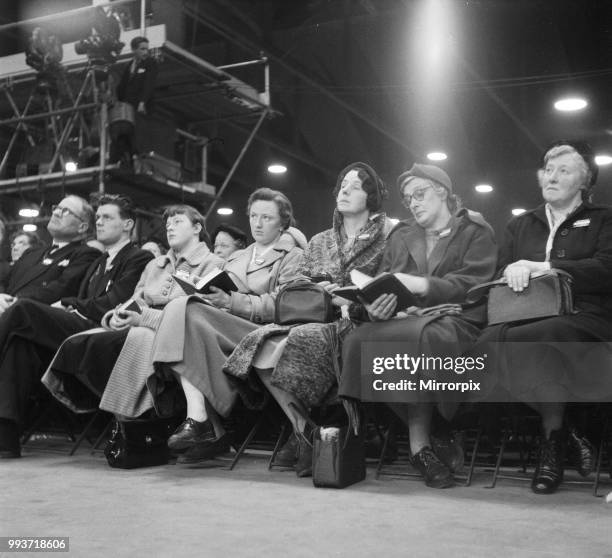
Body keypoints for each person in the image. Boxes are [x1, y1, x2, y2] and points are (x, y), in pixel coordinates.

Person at [99, 188, 304, 463]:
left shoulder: (292, 256)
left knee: (182, 308)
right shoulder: (237, 257)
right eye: (254, 216)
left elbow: (285, 303)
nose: (257, 223)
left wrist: (232, 301)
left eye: (267, 217)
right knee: (185, 311)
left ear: (283, 222)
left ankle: (203, 422)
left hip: (261, 327)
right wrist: (213, 297)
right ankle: (200, 420)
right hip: (223, 325)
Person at [225, 162, 393, 476]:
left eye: (353, 186)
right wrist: (316, 289)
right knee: (257, 342)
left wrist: (350, 295)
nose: (343, 190)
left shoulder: (389, 236)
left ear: (371, 197)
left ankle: (305, 434)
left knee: (299, 339)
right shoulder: (319, 241)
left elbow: (389, 285)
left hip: (360, 321)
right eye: (342, 184)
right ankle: (304, 430)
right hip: (315, 318)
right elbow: (296, 287)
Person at [336, 163, 497, 488]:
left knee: (415, 341)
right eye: (409, 199)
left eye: (420, 194)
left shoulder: (475, 231)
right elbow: (382, 281)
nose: (414, 203)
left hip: (455, 319)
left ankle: (419, 445)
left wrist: (421, 284)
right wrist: (375, 307)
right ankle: (432, 430)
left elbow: (473, 282)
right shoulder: (402, 235)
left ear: (443, 193)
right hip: (402, 320)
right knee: (358, 340)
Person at [474, 140, 612, 495]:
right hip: (524, 313)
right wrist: (511, 272)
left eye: (563, 170)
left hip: (587, 315)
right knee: (486, 342)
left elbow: (607, 268)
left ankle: (551, 440)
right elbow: (502, 268)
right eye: (548, 170)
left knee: (542, 336)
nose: (551, 177)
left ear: (584, 181)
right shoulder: (520, 224)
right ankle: (566, 429)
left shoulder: (604, 219)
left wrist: (546, 267)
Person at [0, 195, 152, 458]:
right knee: (20, 344)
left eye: (107, 217)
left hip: (97, 330)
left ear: (127, 225)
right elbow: (89, 299)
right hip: (78, 324)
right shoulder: (99, 261)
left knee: (22, 309)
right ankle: (5, 438)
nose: (100, 223)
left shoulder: (139, 257)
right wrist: (76, 303)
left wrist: (71, 302)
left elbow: (113, 302)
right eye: (98, 218)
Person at [43, 205, 223, 418]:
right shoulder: (156, 264)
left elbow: (196, 313)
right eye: (168, 225)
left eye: (178, 222)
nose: (170, 228)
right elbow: (136, 300)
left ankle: (132, 423)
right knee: (77, 344)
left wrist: (141, 318)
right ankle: (122, 420)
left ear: (197, 228)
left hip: (173, 333)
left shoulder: (214, 263)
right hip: (139, 324)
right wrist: (117, 316)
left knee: (119, 343)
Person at [0, 195, 99, 315]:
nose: (56, 213)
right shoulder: (31, 252)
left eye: (66, 211)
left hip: (32, 318)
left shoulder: (86, 254)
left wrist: (15, 301)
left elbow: (62, 289)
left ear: (82, 227)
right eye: (57, 208)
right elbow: (5, 281)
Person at [110, 36, 157, 167]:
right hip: (127, 108)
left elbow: (149, 84)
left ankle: (139, 160)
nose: (146, 52)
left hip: (141, 108)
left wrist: (143, 102)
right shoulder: (128, 66)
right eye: (142, 49)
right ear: (134, 50)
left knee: (138, 134)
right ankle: (120, 160)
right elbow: (122, 87)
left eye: (147, 49)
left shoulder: (150, 63)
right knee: (123, 134)